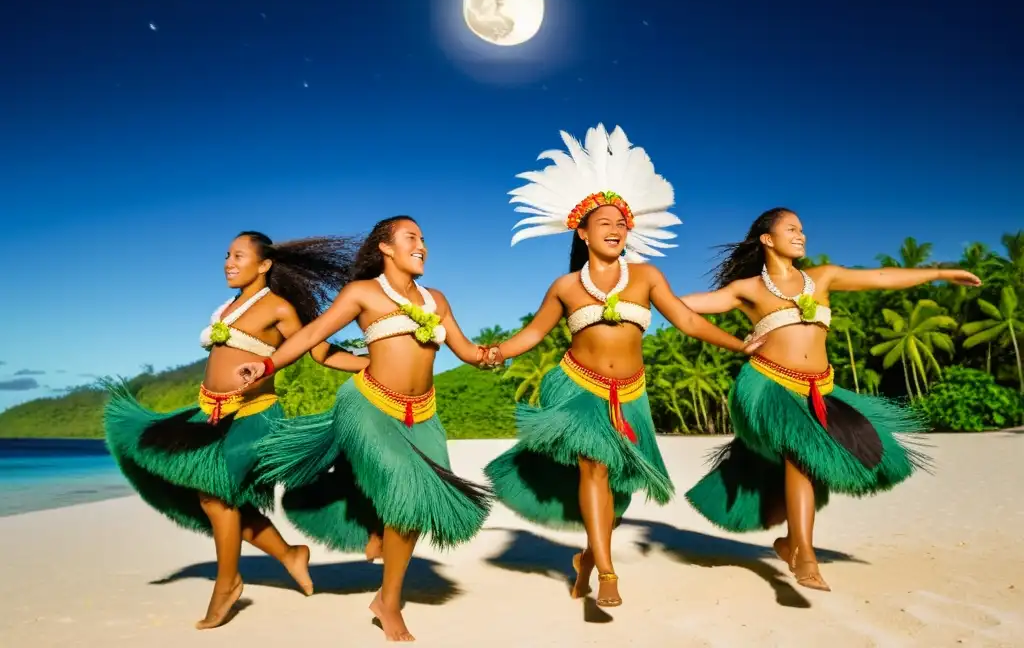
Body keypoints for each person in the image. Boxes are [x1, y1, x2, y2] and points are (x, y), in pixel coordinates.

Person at [481, 124, 763, 609]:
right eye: (604, 222)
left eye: (621, 222)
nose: (615, 229)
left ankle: (589, 557)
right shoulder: (566, 286)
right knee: (593, 471)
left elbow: (689, 321)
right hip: (578, 389)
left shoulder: (648, 277)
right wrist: (495, 353)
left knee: (617, 488)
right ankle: (608, 573)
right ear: (582, 230)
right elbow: (532, 335)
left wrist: (741, 344)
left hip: (630, 396)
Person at [680, 207, 981, 591]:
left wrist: (939, 272)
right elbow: (685, 306)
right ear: (767, 240)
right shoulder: (748, 289)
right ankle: (805, 555)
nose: (802, 235)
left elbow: (882, 277)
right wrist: (643, 294)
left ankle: (790, 542)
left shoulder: (822, 277)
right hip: (769, 386)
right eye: (792, 229)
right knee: (800, 458)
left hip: (820, 388)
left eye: (802, 230)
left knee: (810, 464)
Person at [234, 215, 494, 643]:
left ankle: (384, 594)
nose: (422, 245)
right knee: (403, 494)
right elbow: (315, 333)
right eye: (412, 238)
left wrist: (493, 354)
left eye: (425, 239)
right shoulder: (364, 293)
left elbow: (465, 350)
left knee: (415, 511)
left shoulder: (437, 301)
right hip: (369, 403)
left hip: (423, 414)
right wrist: (266, 363)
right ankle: (388, 597)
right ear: (386, 249)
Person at [103, 231, 368, 629]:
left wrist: (372, 363)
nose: (228, 262)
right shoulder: (226, 308)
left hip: (255, 415)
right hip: (210, 412)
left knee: (216, 496)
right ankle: (290, 555)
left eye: (238, 256)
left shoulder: (278, 308)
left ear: (264, 265)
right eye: (227, 255)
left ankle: (228, 584)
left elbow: (318, 350)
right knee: (212, 496)